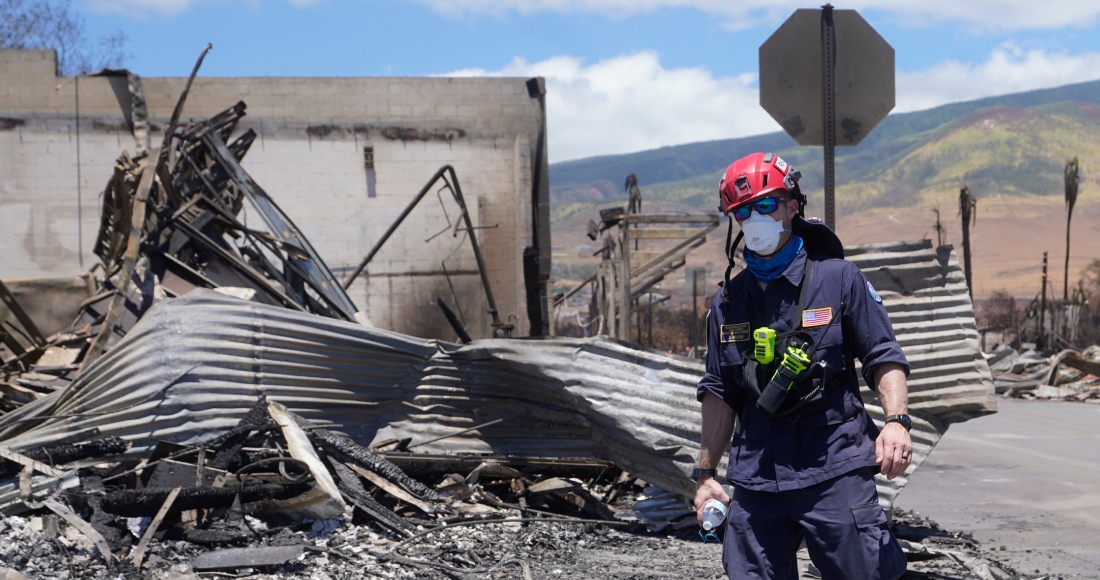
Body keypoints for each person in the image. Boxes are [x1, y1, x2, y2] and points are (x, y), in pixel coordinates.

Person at [693, 152, 912, 580]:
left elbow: (883, 355)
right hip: (758, 478)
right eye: (742, 211)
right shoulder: (728, 302)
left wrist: (897, 421)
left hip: (834, 466)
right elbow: (720, 390)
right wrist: (704, 474)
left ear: (792, 206)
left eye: (766, 205)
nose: (754, 218)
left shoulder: (839, 279)